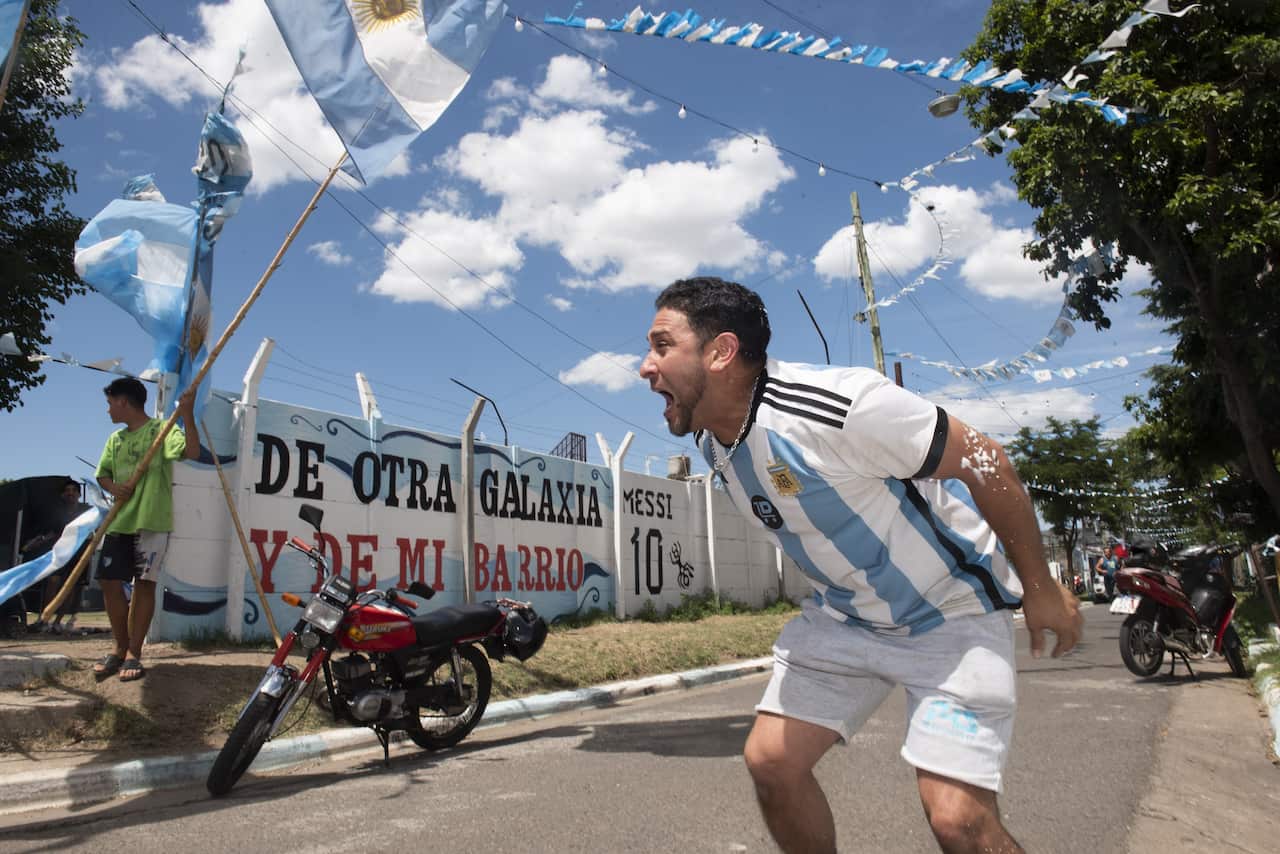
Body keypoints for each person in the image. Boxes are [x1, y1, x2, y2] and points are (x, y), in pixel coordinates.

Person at [639, 277, 1082, 854]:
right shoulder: (715, 444)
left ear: (720, 352)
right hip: (846, 620)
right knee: (771, 763)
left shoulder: (836, 406)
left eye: (662, 345)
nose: (646, 366)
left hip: (949, 616)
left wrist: (1040, 585)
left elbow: (981, 456)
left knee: (958, 822)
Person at [92, 378, 198, 682]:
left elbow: (191, 452)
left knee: (144, 584)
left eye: (110, 403)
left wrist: (187, 414)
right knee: (109, 581)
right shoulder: (115, 439)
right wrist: (116, 488)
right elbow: (103, 476)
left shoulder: (162, 430)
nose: (109, 410)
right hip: (120, 520)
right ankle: (118, 647)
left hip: (152, 521)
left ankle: (133, 653)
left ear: (124, 401)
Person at [24, 478, 90, 633]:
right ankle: (44, 620)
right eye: (67, 491)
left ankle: (57, 622)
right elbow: (51, 532)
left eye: (73, 491)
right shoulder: (57, 512)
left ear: (79, 494)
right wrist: (37, 541)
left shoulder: (86, 510)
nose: (70, 493)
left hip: (79, 554)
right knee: (52, 583)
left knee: (70, 587)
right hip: (60, 552)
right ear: (63, 495)